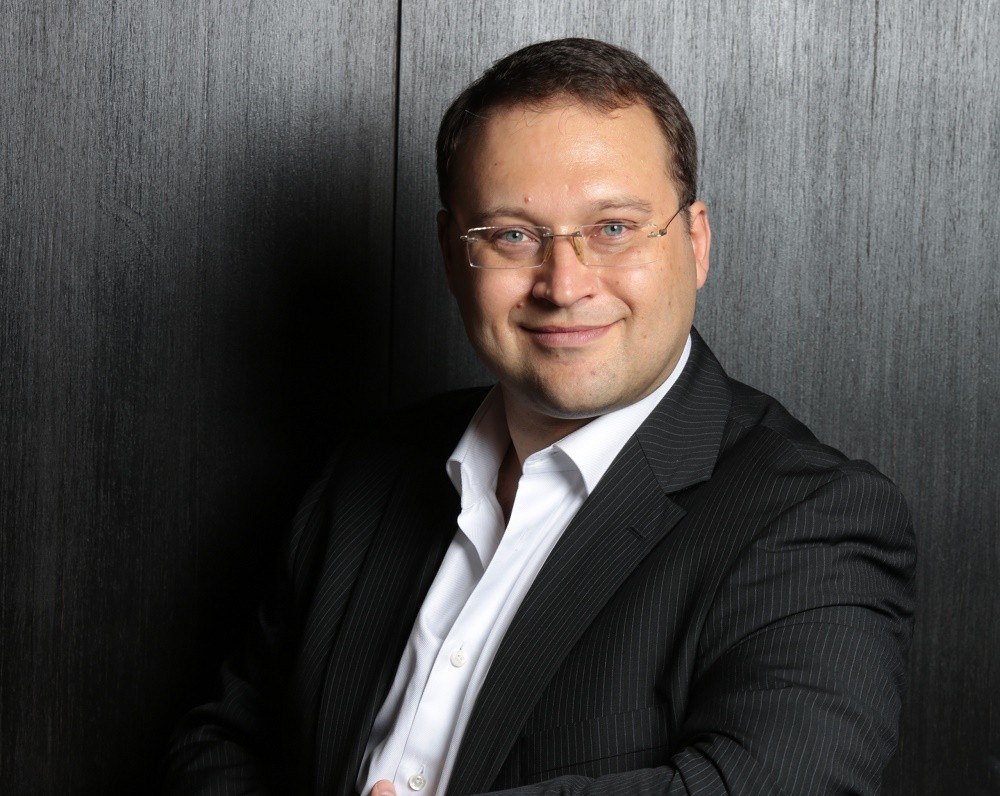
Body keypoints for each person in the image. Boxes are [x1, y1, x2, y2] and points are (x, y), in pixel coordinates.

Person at [164, 38, 915, 795]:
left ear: (695, 243)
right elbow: (228, 739)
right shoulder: (367, 472)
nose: (564, 285)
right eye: (513, 236)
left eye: (613, 228)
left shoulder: (812, 518)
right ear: (452, 256)